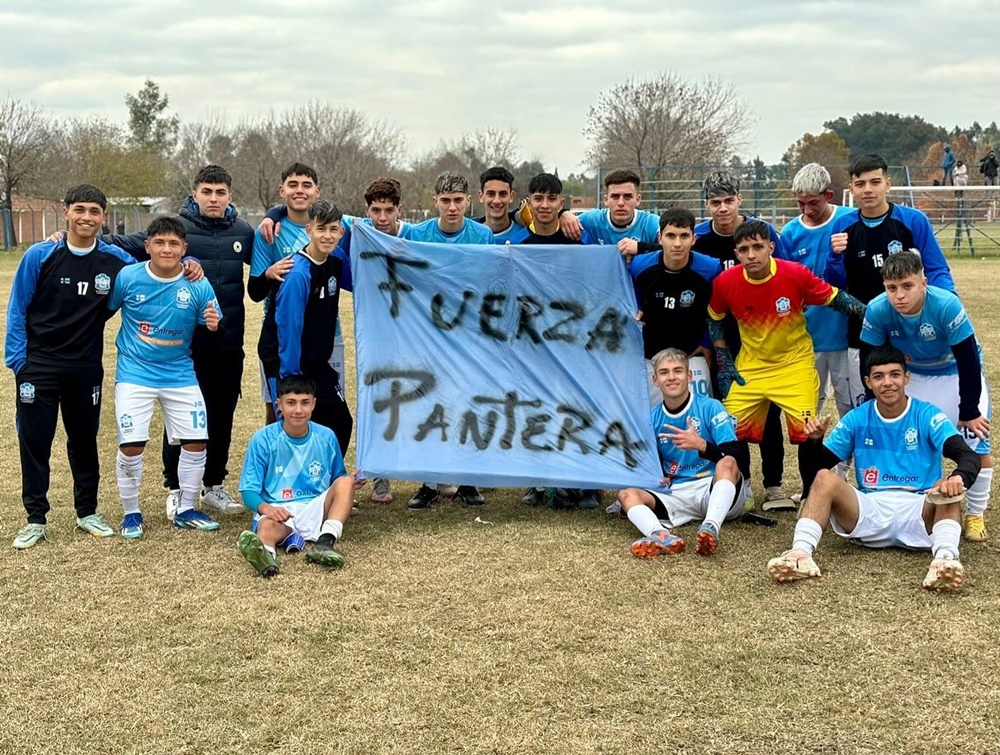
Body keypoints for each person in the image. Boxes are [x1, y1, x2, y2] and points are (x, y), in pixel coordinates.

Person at [767, 346, 981, 592]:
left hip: (919, 511)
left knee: (944, 487)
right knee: (825, 478)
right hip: (869, 511)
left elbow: (968, 457)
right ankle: (800, 555)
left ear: (906, 377)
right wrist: (813, 442)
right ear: (868, 382)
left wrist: (959, 477)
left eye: (895, 374)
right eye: (879, 376)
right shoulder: (857, 418)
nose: (887, 383)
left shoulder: (927, 415)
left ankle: (944, 560)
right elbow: (813, 473)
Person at [5, 185, 135, 548]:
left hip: (85, 367)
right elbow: (18, 308)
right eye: (80, 209)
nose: (86, 218)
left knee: (83, 440)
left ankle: (87, 512)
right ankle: (35, 518)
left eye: (94, 211)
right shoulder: (41, 255)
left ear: (104, 217)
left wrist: (187, 266)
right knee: (35, 441)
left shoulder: (114, 261)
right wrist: (19, 363)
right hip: (39, 366)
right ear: (66, 212)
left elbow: (152, 270)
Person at [707, 220, 866, 502]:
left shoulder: (794, 274)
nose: (752, 254)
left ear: (771, 247)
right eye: (744, 249)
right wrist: (723, 359)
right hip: (750, 368)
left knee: (809, 432)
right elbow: (715, 318)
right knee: (729, 429)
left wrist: (869, 312)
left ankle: (810, 496)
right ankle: (741, 491)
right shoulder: (725, 282)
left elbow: (834, 297)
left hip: (795, 366)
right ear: (736, 254)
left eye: (758, 247)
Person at [859, 251, 992, 541]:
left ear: (924, 282)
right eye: (892, 288)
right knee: (905, 436)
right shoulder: (878, 308)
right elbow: (869, 358)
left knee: (977, 440)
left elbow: (968, 359)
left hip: (955, 372)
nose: (899, 295)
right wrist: (874, 400)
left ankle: (975, 514)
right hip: (915, 375)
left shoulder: (945, 304)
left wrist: (968, 409)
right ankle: (911, 494)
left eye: (907, 286)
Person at [108, 216, 223, 538]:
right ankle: (131, 514)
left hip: (179, 372)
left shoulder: (197, 282)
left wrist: (213, 326)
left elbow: (214, 328)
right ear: (147, 246)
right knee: (132, 445)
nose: (166, 249)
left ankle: (186, 508)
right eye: (159, 242)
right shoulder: (129, 277)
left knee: (197, 441)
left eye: (174, 243)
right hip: (135, 373)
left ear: (184, 248)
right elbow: (105, 309)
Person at [827, 153, 956, 409]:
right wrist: (833, 257)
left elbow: (937, 268)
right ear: (851, 189)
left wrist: (945, 304)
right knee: (868, 401)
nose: (868, 190)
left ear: (888, 183)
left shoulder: (912, 220)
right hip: (862, 328)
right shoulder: (843, 225)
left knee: (910, 398)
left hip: (909, 328)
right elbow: (834, 284)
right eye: (861, 184)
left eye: (875, 182)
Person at [694, 171, 790, 510]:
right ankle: (743, 481)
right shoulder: (699, 238)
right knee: (731, 413)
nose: (722, 208)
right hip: (723, 340)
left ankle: (775, 485)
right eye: (715, 202)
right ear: (706, 204)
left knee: (769, 409)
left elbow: (787, 274)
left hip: (766, 336)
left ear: (740, 200)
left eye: (728, 201)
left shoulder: (763, 232)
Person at [402, 171, 491, 509]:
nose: (452, 207)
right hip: (429, 334)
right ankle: (430, 482)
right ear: (435, 201)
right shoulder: (418, 233)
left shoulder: (482, 235)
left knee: (469, 403)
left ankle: (469, 479)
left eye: (458, 200)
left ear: (468, 201)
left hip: (469, 334)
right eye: (446, 200)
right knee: (430, 404)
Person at [517, 172, 599, 510]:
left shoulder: (580, 246)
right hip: (535, 345)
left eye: (552, 199)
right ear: (530, 203)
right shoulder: (519, 250)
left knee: (578, 409)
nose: (545, 205)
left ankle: (588, 482)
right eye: (538, 198)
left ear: (561, 203)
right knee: (536, 409)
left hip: (574, 343)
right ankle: (538, 481)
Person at [616, 349, 746, 559]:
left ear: (689, 376)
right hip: (676, 492)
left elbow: (736, 456)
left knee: (728, 462)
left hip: (713, 488)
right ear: (655, 380)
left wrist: (701, 445)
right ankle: (660, 536)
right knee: (626, 494)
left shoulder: (711, 407)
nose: (672, 377)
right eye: (665, 372)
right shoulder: (652, 418)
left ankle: (710, 527)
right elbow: (648, 460)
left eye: (677, 371)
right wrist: (657, 476)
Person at [778, 164, 856, 483]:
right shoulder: (790, 235)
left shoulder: (848, 222)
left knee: (851, 412)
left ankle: (848, 479)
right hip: (805, 343)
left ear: (829, 195)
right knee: (806, 417)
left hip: (846, 338)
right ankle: (813, 483)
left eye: (814, 203)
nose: (807, 210)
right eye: (801, 204)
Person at [258, 200, 353, 456]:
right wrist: (291, 377)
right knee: (294, 427)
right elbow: (288, 328)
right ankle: (284, 487)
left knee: (340, 421)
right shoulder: (298, 273)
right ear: (309, 230)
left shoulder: (336, 258)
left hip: (316, 361)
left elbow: (360, 284)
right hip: (286, 361)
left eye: (334, 230)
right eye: (322, 229)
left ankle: (329, 487)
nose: (328, 235)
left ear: (341, 233)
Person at [237, 375, 357, 577]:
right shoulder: (262, 439)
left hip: (316, 508)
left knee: (346, 482)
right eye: (291, 403)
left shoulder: (327, 436)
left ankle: (325, 543)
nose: (298, 410)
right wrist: (269, 509)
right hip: (279, 509)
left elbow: (338, 476)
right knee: (265, 527)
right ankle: (266, 559)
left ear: (314, 404)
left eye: (305, 403)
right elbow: (248, 490)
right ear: (279, 405)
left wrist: (351, 486)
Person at [248, 163, 323, 425]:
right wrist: (268, 274)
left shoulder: (330, 226)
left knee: (321, 407)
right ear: (282, 190)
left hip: (326, 335)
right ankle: (274, 464)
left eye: (306, 185)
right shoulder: (268, 232)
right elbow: (255, 293)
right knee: (279, 409)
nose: (299, 191)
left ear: (317, 191)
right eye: (293, 185)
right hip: (279, 336)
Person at [627, 207, 720, 404]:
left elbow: (717, 312)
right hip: (650, 356)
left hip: (691, 356)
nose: (677, 243)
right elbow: (631, 303)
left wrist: (706, 343)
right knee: (653, 420)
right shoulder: (639, 266)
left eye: (684, 236)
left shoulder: (711, 269)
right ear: (660, 238)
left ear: (693, 239)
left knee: (696, 418)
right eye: (671, 236)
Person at [474, 166, 530, 244]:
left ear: (511, 196)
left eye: (503, 194)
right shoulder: (469, 236)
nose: (497, 201)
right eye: (491, 194)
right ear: (481, 196)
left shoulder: (526, 236)